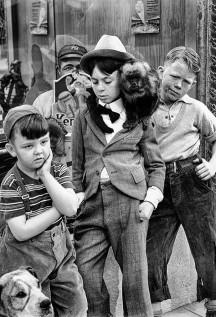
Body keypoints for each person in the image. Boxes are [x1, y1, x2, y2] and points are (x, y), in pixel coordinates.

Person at [72, 34, 165, 317]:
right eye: (94, 81)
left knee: (135, 281)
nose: (99, 88)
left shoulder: (139, 116)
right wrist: (76, 200)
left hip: (129, 204)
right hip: (91, 205)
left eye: (107, 80)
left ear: (122, 79)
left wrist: (150, 200)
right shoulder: (83, 116)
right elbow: (77, 165)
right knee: (87, 271)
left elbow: (156, 165)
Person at [147, 47, 216, 317]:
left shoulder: (196, 109)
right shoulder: (144, 106)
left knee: (205, 243)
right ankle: (158, 309)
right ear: (161, 71)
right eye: (174, 77)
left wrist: (213, 165)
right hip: (157, 184)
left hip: (192, 180)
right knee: (152, 251)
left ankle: (213, 305)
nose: (179, 85)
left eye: (187, 82)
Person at [0, 105, 88, 317]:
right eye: (28, 146)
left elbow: (71, 209)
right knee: (35, 312)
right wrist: (58, 211)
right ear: (12, 150)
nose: (39, 150)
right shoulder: (11, 183)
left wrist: (46, 176)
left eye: (44, 142)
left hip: (60, 257)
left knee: (76, 305)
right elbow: (21, 231)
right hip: (23, 263)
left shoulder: (57, 170)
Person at [32, 43, 88, 118]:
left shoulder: (100, 98)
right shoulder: (42, 101)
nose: (74, 72)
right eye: (68, 68)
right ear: (59, 71)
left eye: (80, 68)